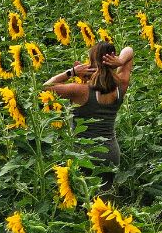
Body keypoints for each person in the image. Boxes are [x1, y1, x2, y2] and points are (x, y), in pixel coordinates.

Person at [43, 41, 134, 188]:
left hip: (84, 155)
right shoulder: (120, 87)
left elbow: (46, 87)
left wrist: (72, 72)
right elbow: (129, 50)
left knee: (83, 203)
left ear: (92, 64)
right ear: (113, 61)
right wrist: (121, 61)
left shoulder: (80, 91)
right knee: (103, 203)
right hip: (110, 154)